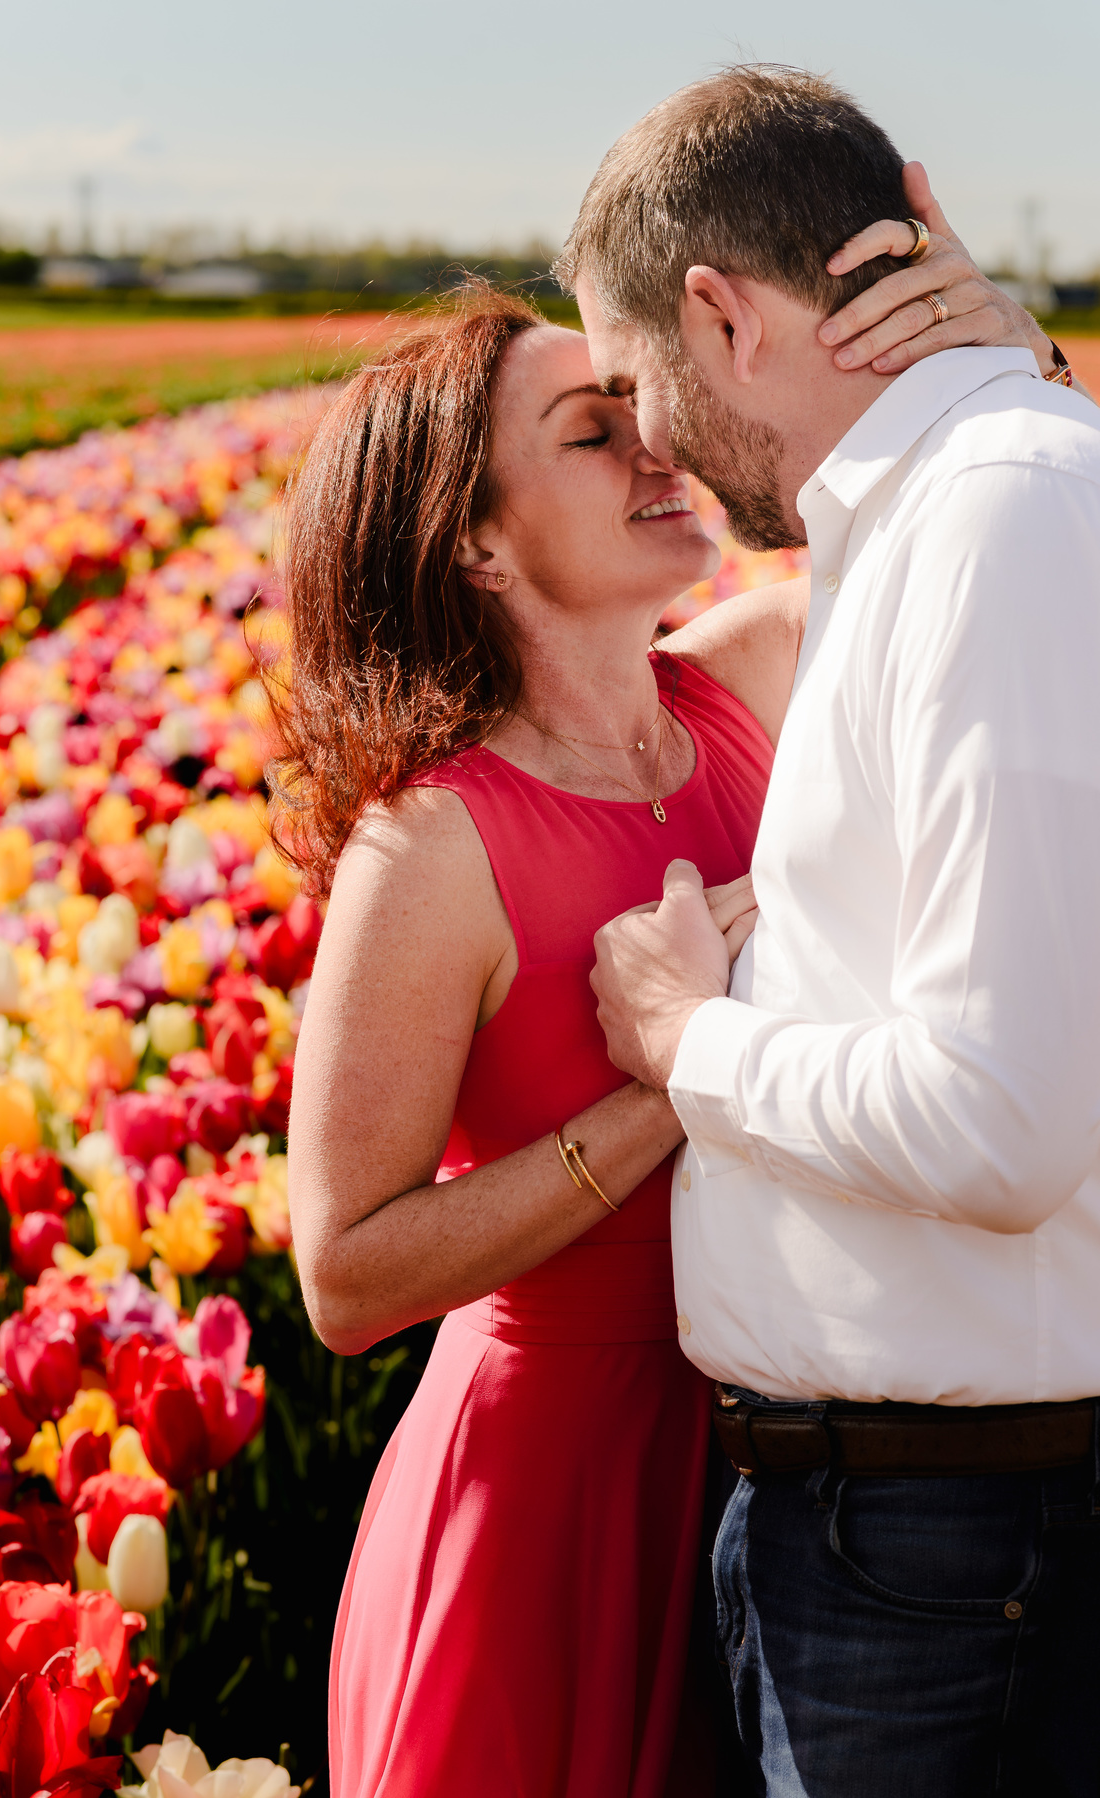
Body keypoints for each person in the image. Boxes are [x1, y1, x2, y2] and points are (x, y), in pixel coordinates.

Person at [280, 225, 1046, 1795]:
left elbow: (1017, 552)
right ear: (478, 546)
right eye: (593, 430)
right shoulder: (434, 847)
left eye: (643, 402)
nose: (660, 444)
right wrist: (665, 1081)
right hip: (547, 1487)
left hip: (777, 1451)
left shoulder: (751, 679)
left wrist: (1011, 365)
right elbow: (345, 1275)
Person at [569, 66, 1100, 1796]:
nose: (646, 442)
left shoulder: (996, 513)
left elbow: (1002, 1119)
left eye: (632, 382)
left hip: (958, 1544)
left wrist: (689, 1036)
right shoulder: (947, 500)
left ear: (720, 315)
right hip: (907, 1526)